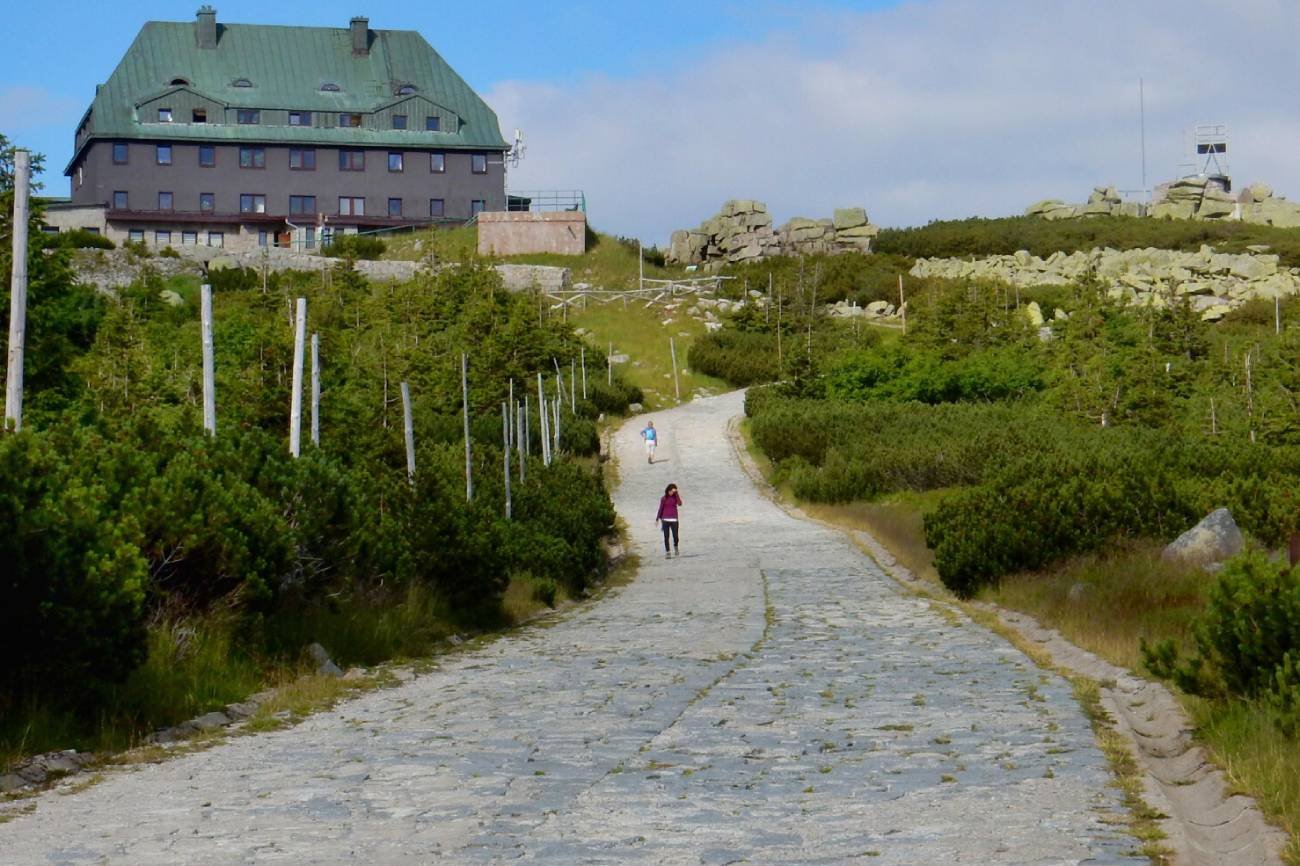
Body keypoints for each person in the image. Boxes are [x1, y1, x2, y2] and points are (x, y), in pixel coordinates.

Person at [656, 483, 683, 558]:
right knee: (666, 537)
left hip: (674, 520)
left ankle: (676, 547)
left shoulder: (675, 497)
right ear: (668, 490)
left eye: (673, 491)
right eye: (671, 491)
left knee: (676, 536)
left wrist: (677, 494)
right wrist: (657, 519)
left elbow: (680, 504)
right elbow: (660, 509)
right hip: (665, 520)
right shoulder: (663, 498)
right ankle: (668, 552)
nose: (672, 493)